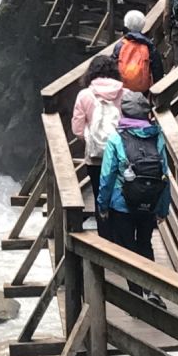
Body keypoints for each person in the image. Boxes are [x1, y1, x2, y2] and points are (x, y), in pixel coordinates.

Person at [97, 91, 171, 261]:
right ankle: (149, 287)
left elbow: (107, 176)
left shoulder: (116, 138)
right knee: (145, 243)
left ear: (123, 112)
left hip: (122, 203)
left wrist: (103, 205)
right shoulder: (157, 137)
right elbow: (164, 175)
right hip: (149, 202)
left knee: (126, 249)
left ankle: (134, 288)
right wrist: (162, 209)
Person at [70, 55, 124, 229]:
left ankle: (105, 240)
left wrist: (90, 137)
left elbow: (77, 130)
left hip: (96, 157)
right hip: (121, 156)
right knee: (121, 193)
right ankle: (122, 238)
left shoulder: (84, 95)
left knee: (99, 195)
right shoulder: (126, 93)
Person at [111, 8, 164, 93]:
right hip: (143, 91)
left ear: (126, 25)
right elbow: (157, 70)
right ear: (142, 25)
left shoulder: (120, 45)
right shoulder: (149, 46)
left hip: (123, 90)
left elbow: (112, 67)